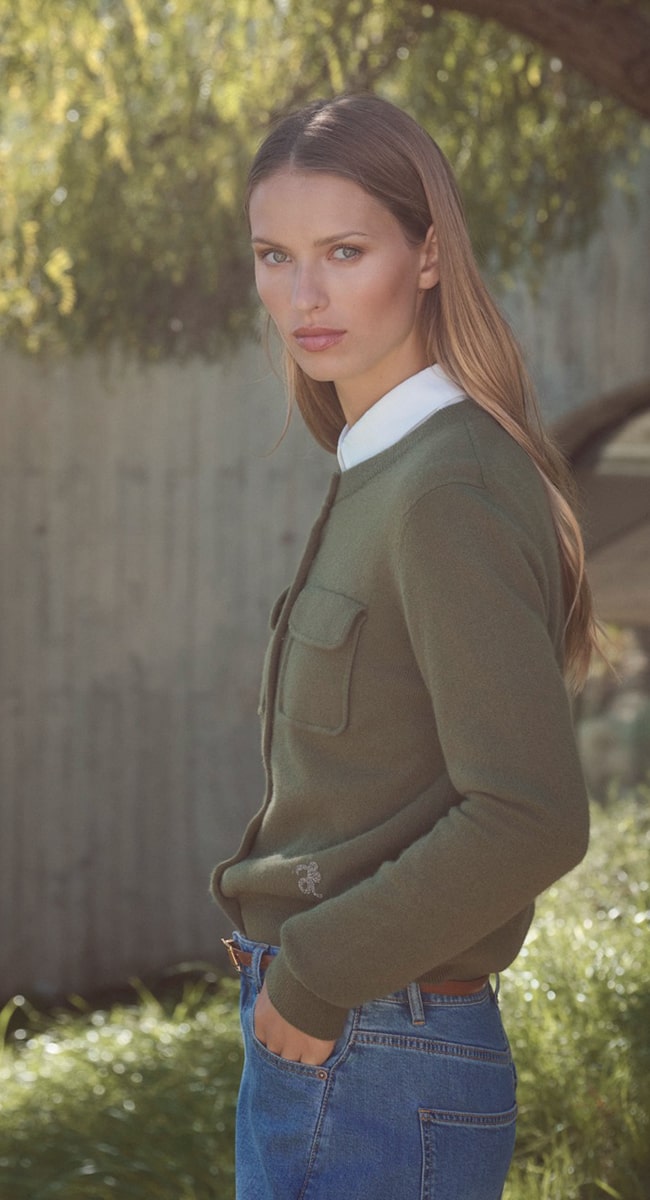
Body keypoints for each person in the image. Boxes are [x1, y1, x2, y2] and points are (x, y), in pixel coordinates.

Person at [212, 93, 596, 1200]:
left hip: (375, 1044)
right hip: (356, 1039)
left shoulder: (444, 485)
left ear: (427, 255)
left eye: (344, 251)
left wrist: (317, 974)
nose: (304, 296)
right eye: (275, 256)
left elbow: (529, 813)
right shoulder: (384, 465)